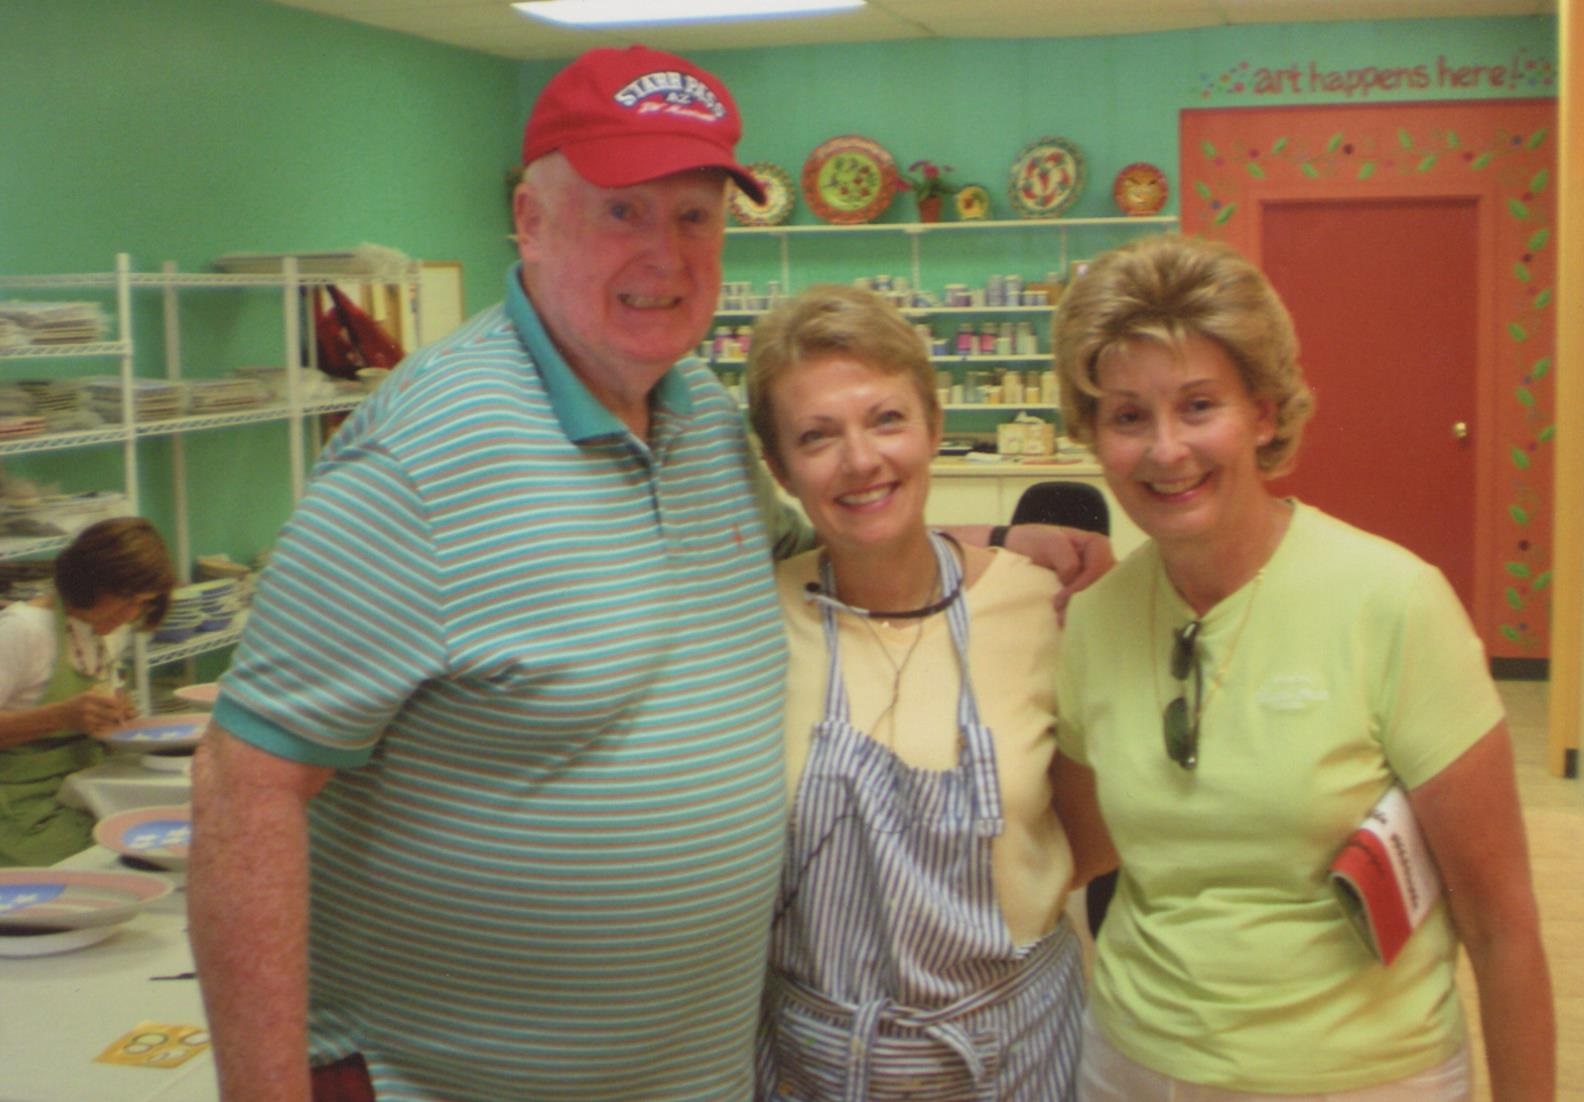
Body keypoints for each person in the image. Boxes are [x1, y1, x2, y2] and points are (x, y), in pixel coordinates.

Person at [187, 45, 1109, 1102]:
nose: (664, 255)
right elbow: (244, 786)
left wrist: (995, 540)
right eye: (622, 210)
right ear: (530, 221)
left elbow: (810, 548)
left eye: (694, 216)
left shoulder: (700, 416)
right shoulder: (423, 460)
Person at [1051, 234, 1554, 1101]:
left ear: (1263, 412)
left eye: (1198, 405)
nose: (1166, 449)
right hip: (1132, 1064)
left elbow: (1501, 925)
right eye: (1128, 416)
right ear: (1093, 436)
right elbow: (1074, 851)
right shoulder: (1097, 622)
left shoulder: (1391, 602)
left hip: (1363, 1075)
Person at [745, 284, 1112, 1100]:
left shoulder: (1043, 607)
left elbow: (1092, 838)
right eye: (817, 436)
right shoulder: (750, 622)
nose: (861, 460)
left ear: (934, 427)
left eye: (886, 419)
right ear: (778, 468)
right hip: (816, 1063)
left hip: (1019, 1056)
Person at [0, 516, 173, 865]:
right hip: (20, 817)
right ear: (89, 582)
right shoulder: (22, 632)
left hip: (82, 797)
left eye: (143, 603)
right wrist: (58, 717)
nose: (131, 614)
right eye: (127, 599)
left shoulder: (107, 630)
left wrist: (115, 715)